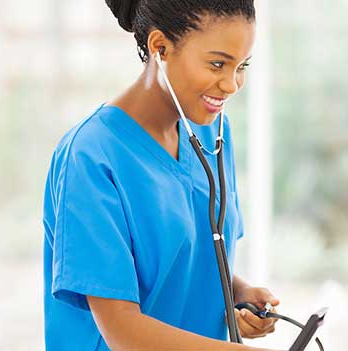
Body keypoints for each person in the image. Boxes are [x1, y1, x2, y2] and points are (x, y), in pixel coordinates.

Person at [41, 1, 279, 350]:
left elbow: (185, 259)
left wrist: (238, 293)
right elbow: (122, 330)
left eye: (241, 66)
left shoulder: (213, 134)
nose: (232, 84)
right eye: (217, 64)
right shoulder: (91, 155)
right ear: (160, 47)